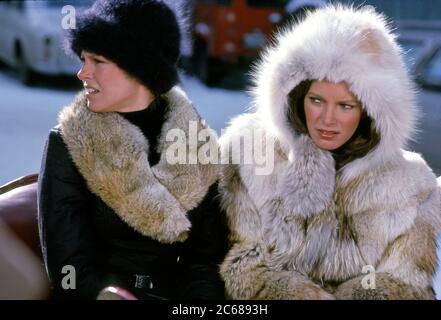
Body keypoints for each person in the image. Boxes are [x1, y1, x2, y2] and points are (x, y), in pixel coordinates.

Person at [218, 5, 441, 299]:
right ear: (297, 96)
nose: (327, 119)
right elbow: (240, 263)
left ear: (370, 112)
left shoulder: (411, 187)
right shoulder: (251, 154)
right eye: (317, 100)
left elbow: (404, 287)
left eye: (345, 106)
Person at [38, 0, 227, 300]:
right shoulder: (69, 142)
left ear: (140, 68)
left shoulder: (196, 145)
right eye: (83, 59)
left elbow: (205, 264)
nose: (82, 73)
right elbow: (70, 271)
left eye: (97, 61)